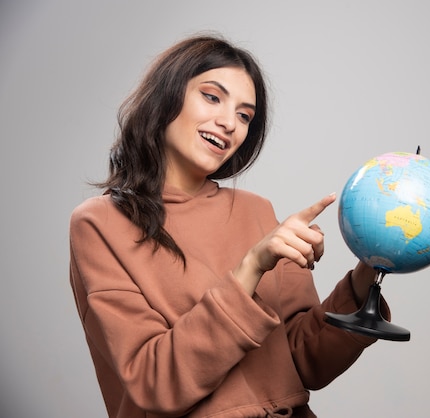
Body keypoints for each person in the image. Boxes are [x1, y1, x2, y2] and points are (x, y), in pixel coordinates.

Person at [69, 33, 389, 418]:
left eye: (244, 115)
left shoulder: (256, 211)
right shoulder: (100, 223)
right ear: (167, 95)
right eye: (212, 96)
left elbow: (306, 363)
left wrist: (370, 267)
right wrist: (250, 268)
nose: (228, 123)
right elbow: (154, 383)